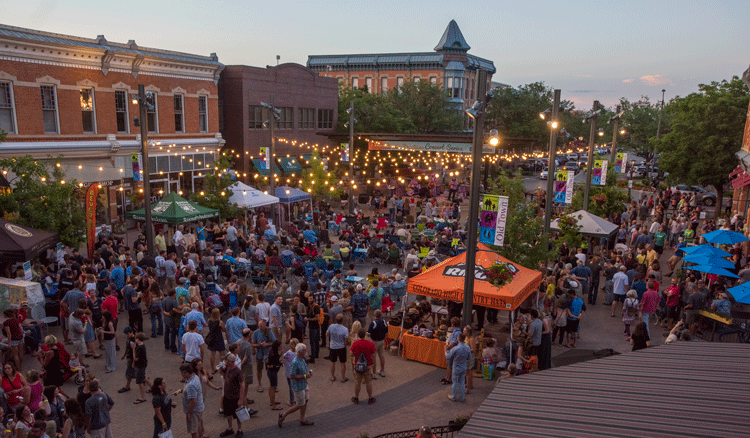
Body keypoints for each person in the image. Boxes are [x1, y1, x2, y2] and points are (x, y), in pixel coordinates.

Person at [278, 343, 314, 428]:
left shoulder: (302, 359)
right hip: (298, 387)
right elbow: (292, 376)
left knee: (306, 400)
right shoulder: (295, 362)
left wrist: (307, 375)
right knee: (300, 404)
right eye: (304, 350)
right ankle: (283, 415)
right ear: (300, 351)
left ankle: (302, 418)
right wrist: (305, 376)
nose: (306, 351)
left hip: (304, 384)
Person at [219, 353, 248, 438]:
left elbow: (242, 384)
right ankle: (230, 428)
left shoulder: (237, 371)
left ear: (230, 361)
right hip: (227, 396)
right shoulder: (227, 368)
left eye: (227, 360)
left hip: (235, 397)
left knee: (238, 414)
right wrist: (221, 368)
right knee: (228, 413)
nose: (225, 361)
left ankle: (239, 429)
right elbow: (223, 376)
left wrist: (241, 399)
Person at [350, 327, 376, 405]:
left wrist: (356, 355)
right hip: (367, 365)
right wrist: (373, 364)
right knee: (369, 382)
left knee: (357, 382)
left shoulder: (355, 343)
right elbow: (373, 356)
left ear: (358, 335)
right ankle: (370, 397)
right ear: (365, 335)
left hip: (358, 365)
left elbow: (351, 354)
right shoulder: (370, 343)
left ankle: (356, 397)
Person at [179, 363, 205, 438]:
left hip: (194, 411)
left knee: (194, 431)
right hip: (199, 408)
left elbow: (193, 401)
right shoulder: (195, 377)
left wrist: (188, 412)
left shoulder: (191, 385)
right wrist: (181, 391)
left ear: (186, 373)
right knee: (198, 426)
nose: (181, 375)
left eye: (182, 373)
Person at [445, 332, 471, 402]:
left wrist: (445, 351)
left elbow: (448, 356)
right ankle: (462, 397)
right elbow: (469, 358)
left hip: (456, 367)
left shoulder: (456, 348)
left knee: (455, 382)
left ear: (458, 339)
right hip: (463, 367)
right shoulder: (467, 348)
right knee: (462, 382)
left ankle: (453, 396)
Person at [251, 320, 276, 393]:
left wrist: (267, 344)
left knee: (269, 370)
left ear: (265, 325)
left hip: (268, 354)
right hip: (259, 355)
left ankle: (272, 385)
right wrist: (259, 345)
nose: (260, 327)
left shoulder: (269, 332)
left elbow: (274, 342)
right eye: (259, 326)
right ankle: (259, 384)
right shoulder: (256, 333)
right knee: (259, 370)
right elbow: (252, 344)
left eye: (261, 326)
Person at [326, 314, 349, 382]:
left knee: (333, 362)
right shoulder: (345, 329)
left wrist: (332, 336)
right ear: (343, 320)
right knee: (342, 363)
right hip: (341, 347)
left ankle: (332, 376)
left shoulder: (331, 326)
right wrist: (345, 345)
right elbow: (345, 341)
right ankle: (343, 377)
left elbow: (327, 334)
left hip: (333, 346)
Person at [366, 309, 388, 378]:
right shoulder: (384, 322)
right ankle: (382, 371)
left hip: (374, 342)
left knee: (373, 357)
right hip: (382, 340)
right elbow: (386, 333)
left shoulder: (373, 323)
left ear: (374, 315)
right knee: (382, 356)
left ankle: (374, 373)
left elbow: (368, 334)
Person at [265, 340, 284, 411]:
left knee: (271, 386)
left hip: (270, 371)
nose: (281, 347)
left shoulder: (272, 351)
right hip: (273, 371)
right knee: (273, 387)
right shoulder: (274, 354)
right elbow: (274, 362)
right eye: (280, 346)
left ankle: (272, 401)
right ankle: (273, 405)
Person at [132, 333, 150, 405]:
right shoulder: (142, 345)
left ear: (138, 339)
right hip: (143, 364)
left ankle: (143, 397)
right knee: (143, 377)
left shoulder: (139, 348)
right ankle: (153, 387)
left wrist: (133, 349)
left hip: (140, 365)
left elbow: (135, 358)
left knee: (140, 381)